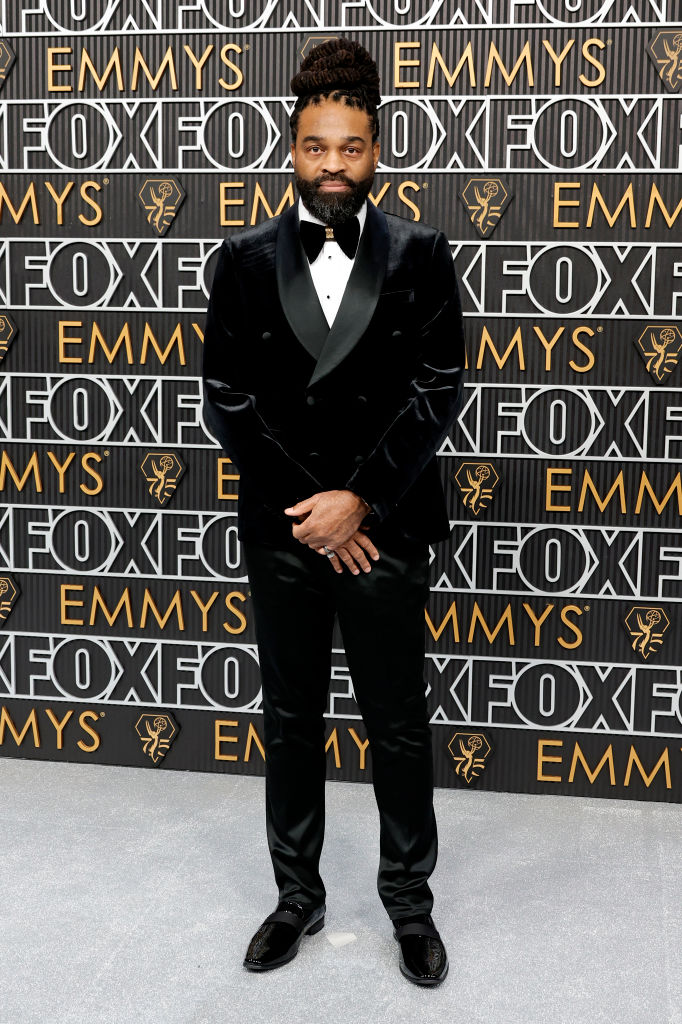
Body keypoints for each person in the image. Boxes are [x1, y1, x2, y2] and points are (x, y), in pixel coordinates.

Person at [202, 37, 465, 986]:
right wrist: (309, 510)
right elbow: (227, 398)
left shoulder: (423, 255)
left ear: (377, 151)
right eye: (317, 147)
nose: (333, 166)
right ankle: (296, 898)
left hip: (384, 529)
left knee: (396, 720)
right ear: (293, 147)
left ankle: (409, 904)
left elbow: (439, 385)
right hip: (283, 533)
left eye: (351, 148)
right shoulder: (237, 262)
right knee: (291, 719)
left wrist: (360, 504)